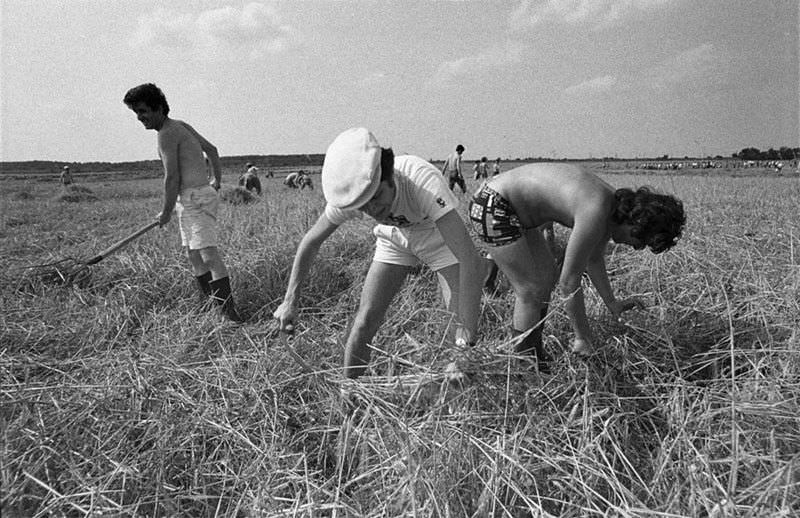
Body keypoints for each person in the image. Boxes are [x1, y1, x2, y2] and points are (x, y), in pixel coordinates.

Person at [273, 128, 484, 379]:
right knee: (364, 320)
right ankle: (349, 395)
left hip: (436, 236)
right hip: (393, 236)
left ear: (390, 175)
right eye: (364, 205)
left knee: (457, 327)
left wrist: (464, 348)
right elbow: (311, 241)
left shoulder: (422, 182)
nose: (373, 209)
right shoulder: (356, 194)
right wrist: (289, 301)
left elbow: (469, 259)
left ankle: (455, 395)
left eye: (378, 196)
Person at [469, 163, 685, 372]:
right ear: (636, 223)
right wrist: (582, 337)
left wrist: (612, 303)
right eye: (641, 241)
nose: (637, 248)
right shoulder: (596, 210)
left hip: (509, 207)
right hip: (493, 204)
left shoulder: (610, 209)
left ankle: (534, 355)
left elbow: (594, 260)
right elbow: (569, 282)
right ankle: (525, 365)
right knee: (531, 289)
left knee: (546, 277)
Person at [123, 83, 242, 322]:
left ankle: (229, 315)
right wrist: (215, 181)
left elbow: (172, 177)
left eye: (143, 111)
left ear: (158, 108)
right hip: (191, 198)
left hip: (195, 198)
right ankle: (210, 305)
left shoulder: (167, 133)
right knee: (193, 255)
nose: (139, 118)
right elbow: (213, 150)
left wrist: (166, 211)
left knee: (208, 255)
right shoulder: (179, 126)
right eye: (136, 112)